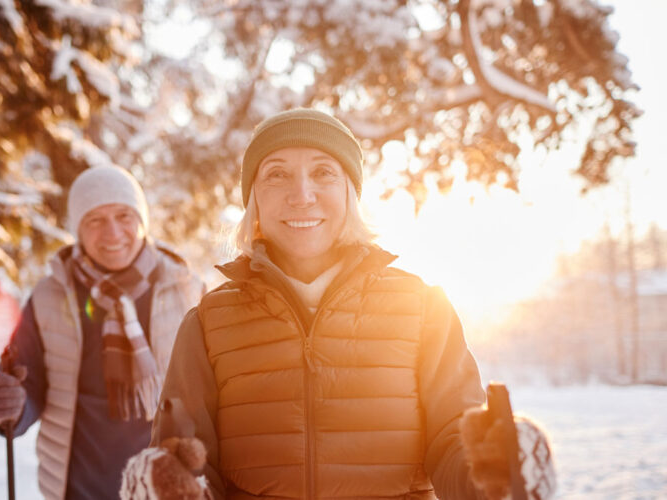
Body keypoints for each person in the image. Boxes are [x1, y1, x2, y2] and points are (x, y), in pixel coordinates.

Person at [123, 108, 555, 499]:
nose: (302, 194)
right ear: (254, 202)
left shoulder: (423, 309)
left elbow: (452, 442)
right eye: (276, 174)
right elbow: (191, 463)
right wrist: (174, 488)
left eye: (324, 172)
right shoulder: (207, 324)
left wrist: (494, 473)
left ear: (351, 193)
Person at [0, 165, 205, 500]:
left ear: (142, 220)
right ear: (78, 230)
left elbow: (217, 391)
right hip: (80, 487)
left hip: (168, 488)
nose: (113, 233)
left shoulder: (186, 290)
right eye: (95, 221)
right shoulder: (49, 297)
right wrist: (10, 407)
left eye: (123, 216)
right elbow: (27, 384)